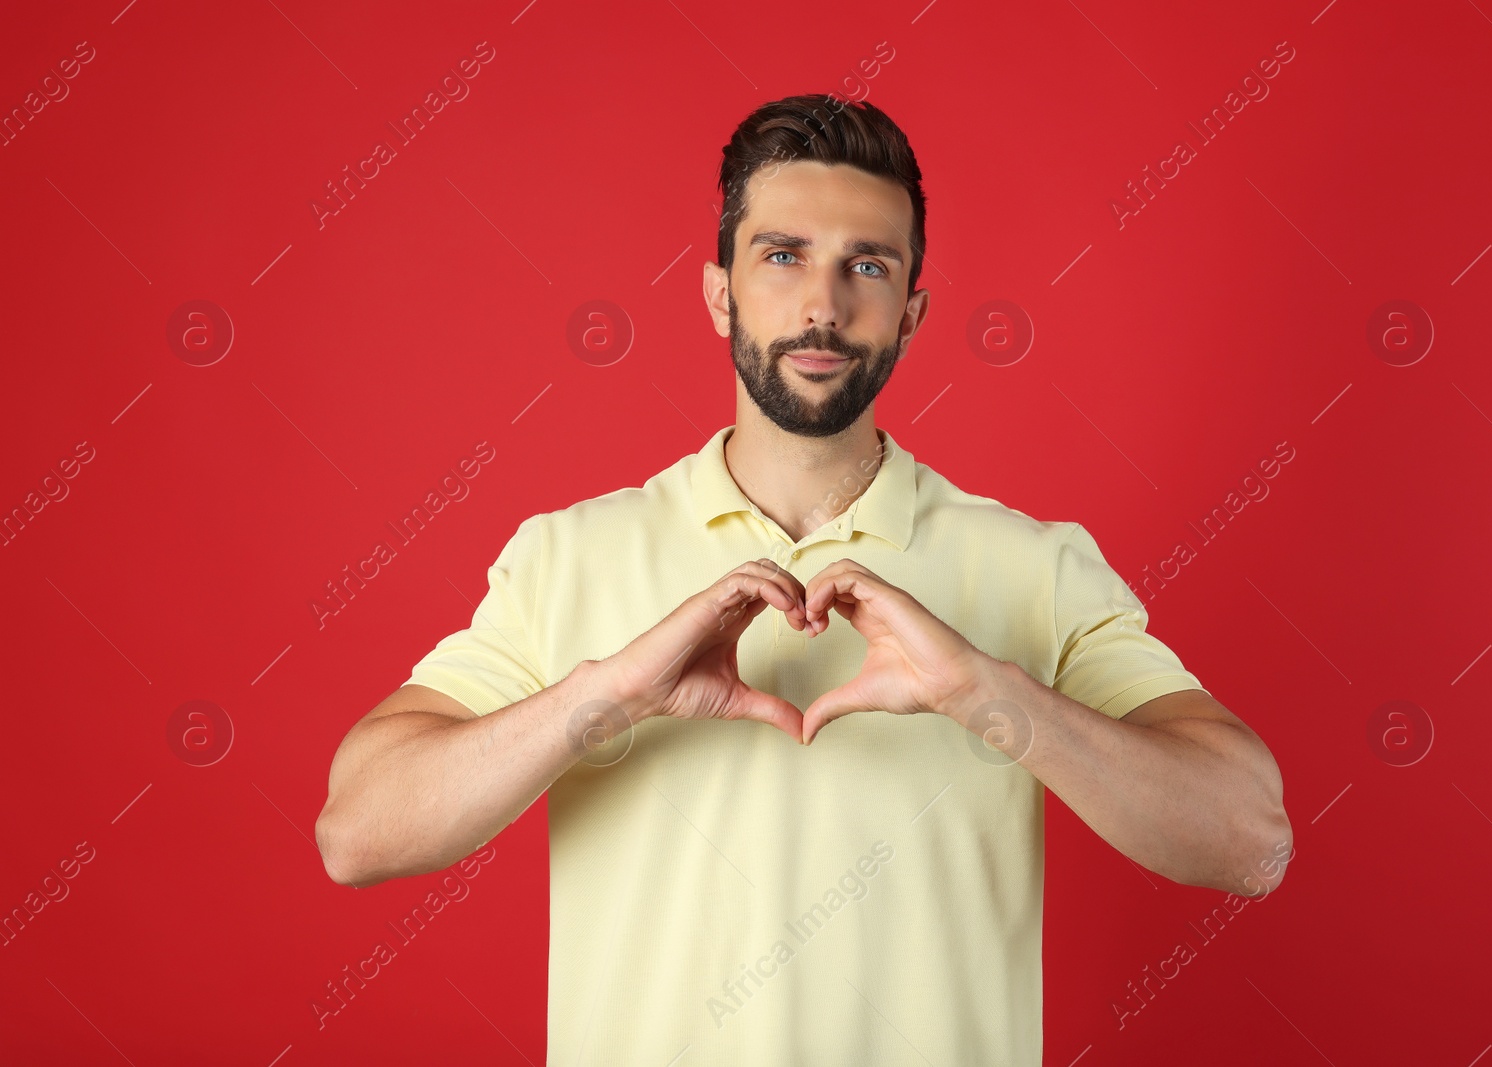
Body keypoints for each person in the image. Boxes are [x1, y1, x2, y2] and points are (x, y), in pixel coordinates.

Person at [315, 93, 1291, 1065]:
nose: (823, 302)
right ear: (719, 294)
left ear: (910, 313)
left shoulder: (1037, 566)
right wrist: (606, 693)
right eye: (782, 256)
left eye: (866, 265)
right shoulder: (567, 554)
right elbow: (357, 832)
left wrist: (986, 692)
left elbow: (1250, 838)